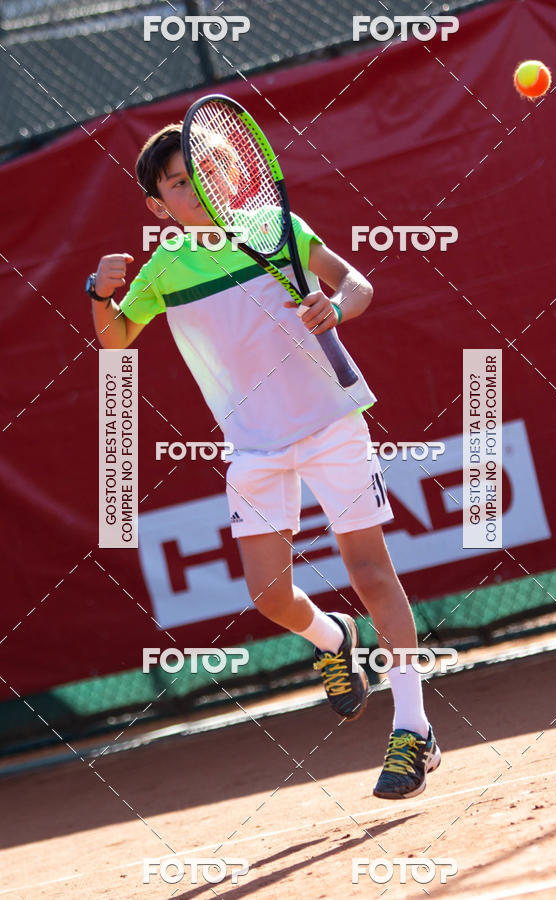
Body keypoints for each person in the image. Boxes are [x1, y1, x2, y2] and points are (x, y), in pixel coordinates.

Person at [87, 122, 440, 799]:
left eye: (210, 170)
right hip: (253, 448)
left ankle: (414, 728)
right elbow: (115, 341)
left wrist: (334, 307)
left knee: (369, 570)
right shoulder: (164, 268)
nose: (200, 188)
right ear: (159, 207)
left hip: (332, 421)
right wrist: (101, 295)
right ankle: (334, 638)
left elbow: (357, 284)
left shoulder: (279, 225)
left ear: (234, 172)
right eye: (180, 184)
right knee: (269, 596)